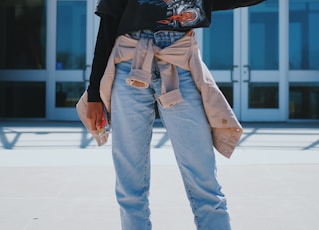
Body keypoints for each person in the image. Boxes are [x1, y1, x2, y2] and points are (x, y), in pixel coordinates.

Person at [84, 0, 264, 229]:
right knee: (129, 187)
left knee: (204, 181)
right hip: (129, 62)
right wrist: (93, 95)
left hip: (180, 62)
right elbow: (108, 24)